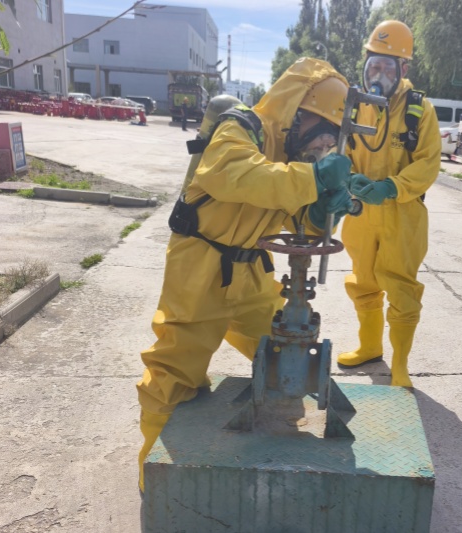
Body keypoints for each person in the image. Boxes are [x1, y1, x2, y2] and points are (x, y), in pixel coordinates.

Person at [136, 57, 354, 492]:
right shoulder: (240, 127)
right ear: (296, 110)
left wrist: (322, 212)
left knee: (284, 353)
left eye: (333, 135)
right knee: (174, 372)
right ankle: (153, 473)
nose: (324, 141)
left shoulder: (292, 157)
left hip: (252, 271)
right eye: (321, 127)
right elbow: (232, 175)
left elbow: (295, 217)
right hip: (201, 265)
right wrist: (312, 178)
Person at [337, 20, 441, 388]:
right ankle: (369, 346)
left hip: (403, 214)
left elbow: (428, 163)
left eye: (387, 67)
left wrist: (392, 187)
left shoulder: (419, 110)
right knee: (363, 281)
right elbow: (341, 150)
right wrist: (349, 178)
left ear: (404, 69)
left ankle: (399, 365)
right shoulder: (355, 107)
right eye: (373, 65)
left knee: (401, 288)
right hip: (361, 213)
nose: (378, 75)